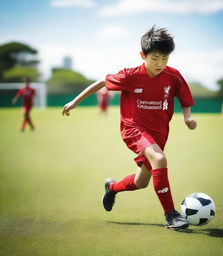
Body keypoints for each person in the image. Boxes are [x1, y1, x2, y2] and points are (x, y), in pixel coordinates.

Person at [62, 26, 197, 230]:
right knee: (159, 159)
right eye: (155, 58)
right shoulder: (130, 76)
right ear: (143, 55)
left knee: (141, 181)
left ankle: (112, 188)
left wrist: (187, 117)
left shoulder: (173, 76)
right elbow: (101, 82)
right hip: (134, 129)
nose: (160, 64)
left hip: (159, 133)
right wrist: (75, 101)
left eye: (165, 59)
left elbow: (184, 97)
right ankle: (171, 215)